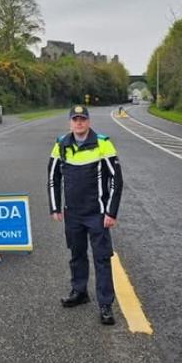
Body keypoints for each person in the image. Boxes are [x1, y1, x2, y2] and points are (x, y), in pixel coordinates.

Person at [46, 105, 123, 325]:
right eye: (75, 119)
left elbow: (116, 180)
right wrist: (55, 207)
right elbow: (53, 178)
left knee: (101, 258)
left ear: (88, 121)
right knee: (76, 254)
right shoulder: (61, 144)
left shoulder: (102, 143)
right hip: (73, 214)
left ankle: (106, 304)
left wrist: (111, 211)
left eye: (82, 119)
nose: (79, 123)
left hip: (97, 214)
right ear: (70, 122)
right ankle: (79, 291)